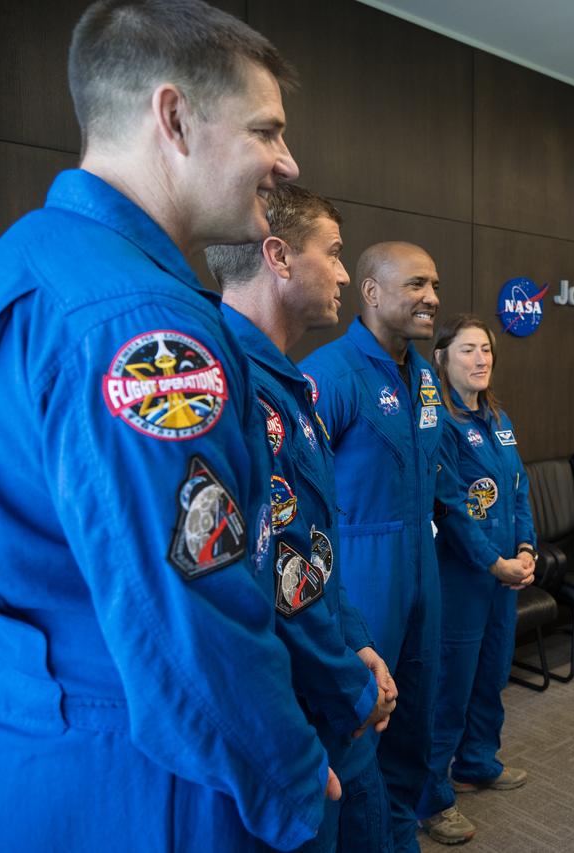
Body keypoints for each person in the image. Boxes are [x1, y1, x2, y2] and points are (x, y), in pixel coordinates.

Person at [0, 2, 340, 850]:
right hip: (155, 778)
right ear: (174, 118)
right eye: (266, 131)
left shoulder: (21, 260)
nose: (287, 162)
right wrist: (292, 771)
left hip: (40, 743)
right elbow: (186, 618)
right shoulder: (139, 323)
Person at [207, 184, 401, 851]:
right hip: (291, 714)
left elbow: (313, 549)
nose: (346, 274)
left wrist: (358, 640)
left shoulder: (287, 384)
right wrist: (351, 684)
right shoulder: (232, 390)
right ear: (279, 257)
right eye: (336, 253)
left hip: (326, 692)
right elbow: (262, 588)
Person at [300, 241, 446, 853]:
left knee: (415, 714)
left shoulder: (428, 376)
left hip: (422, 568)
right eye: (416, 284)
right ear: (371, 291)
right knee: (363, 725)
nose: (432, 298)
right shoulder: (330, 373)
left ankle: (401, 834)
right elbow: (299, 499)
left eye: (434, 284)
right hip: (363, 574)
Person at [419, 315, 537, 845]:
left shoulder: (499, 418)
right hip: (464, 578)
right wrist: (495, 562)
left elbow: (518, 490)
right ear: (443, 358)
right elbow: (451, 510)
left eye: (486, 349)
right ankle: (431, 799)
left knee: (491, 675)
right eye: (468, 350)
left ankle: (476, 762)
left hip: (505, 576)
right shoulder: (439, 423)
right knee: (451, 687)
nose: (481, 358)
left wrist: (527, 548)